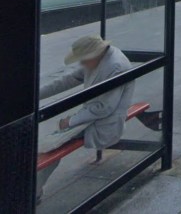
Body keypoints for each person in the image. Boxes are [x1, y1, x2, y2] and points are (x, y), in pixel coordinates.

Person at [37, 36, 134, 200]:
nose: (81, 63)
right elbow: (68, 80)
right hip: (94, 117)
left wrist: (70, 121)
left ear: (94, 54)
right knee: (52, 142)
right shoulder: (99, 59)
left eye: (83, 59)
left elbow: (104, 108)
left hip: (105, 123)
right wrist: (35, 94)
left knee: (50, 145)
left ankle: (34, 191)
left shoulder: (115, 66)